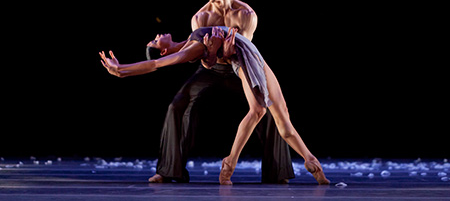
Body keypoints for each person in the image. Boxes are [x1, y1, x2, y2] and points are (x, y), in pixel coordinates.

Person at [99, 26, 330, 185]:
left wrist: (218, 51)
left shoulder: (193, 41)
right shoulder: (191, 48)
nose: (157, 35)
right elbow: (156, 64)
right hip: (241, 54)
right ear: (164, 49)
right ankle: (229, 163)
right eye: (155, 41)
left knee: (283, 118)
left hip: (251, 52)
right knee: (258, 110)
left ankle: (311, 161)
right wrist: (121, 70)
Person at [135, 0, 294, 184]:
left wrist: (228, 54)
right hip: (212, 68)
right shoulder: (200, 18)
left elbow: (244, 53)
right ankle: (169, 170)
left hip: (241, 67)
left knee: (267, 106)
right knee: (177, 105)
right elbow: (200, 55)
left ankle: (278, 173)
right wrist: (211, 59)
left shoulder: (246, 14)